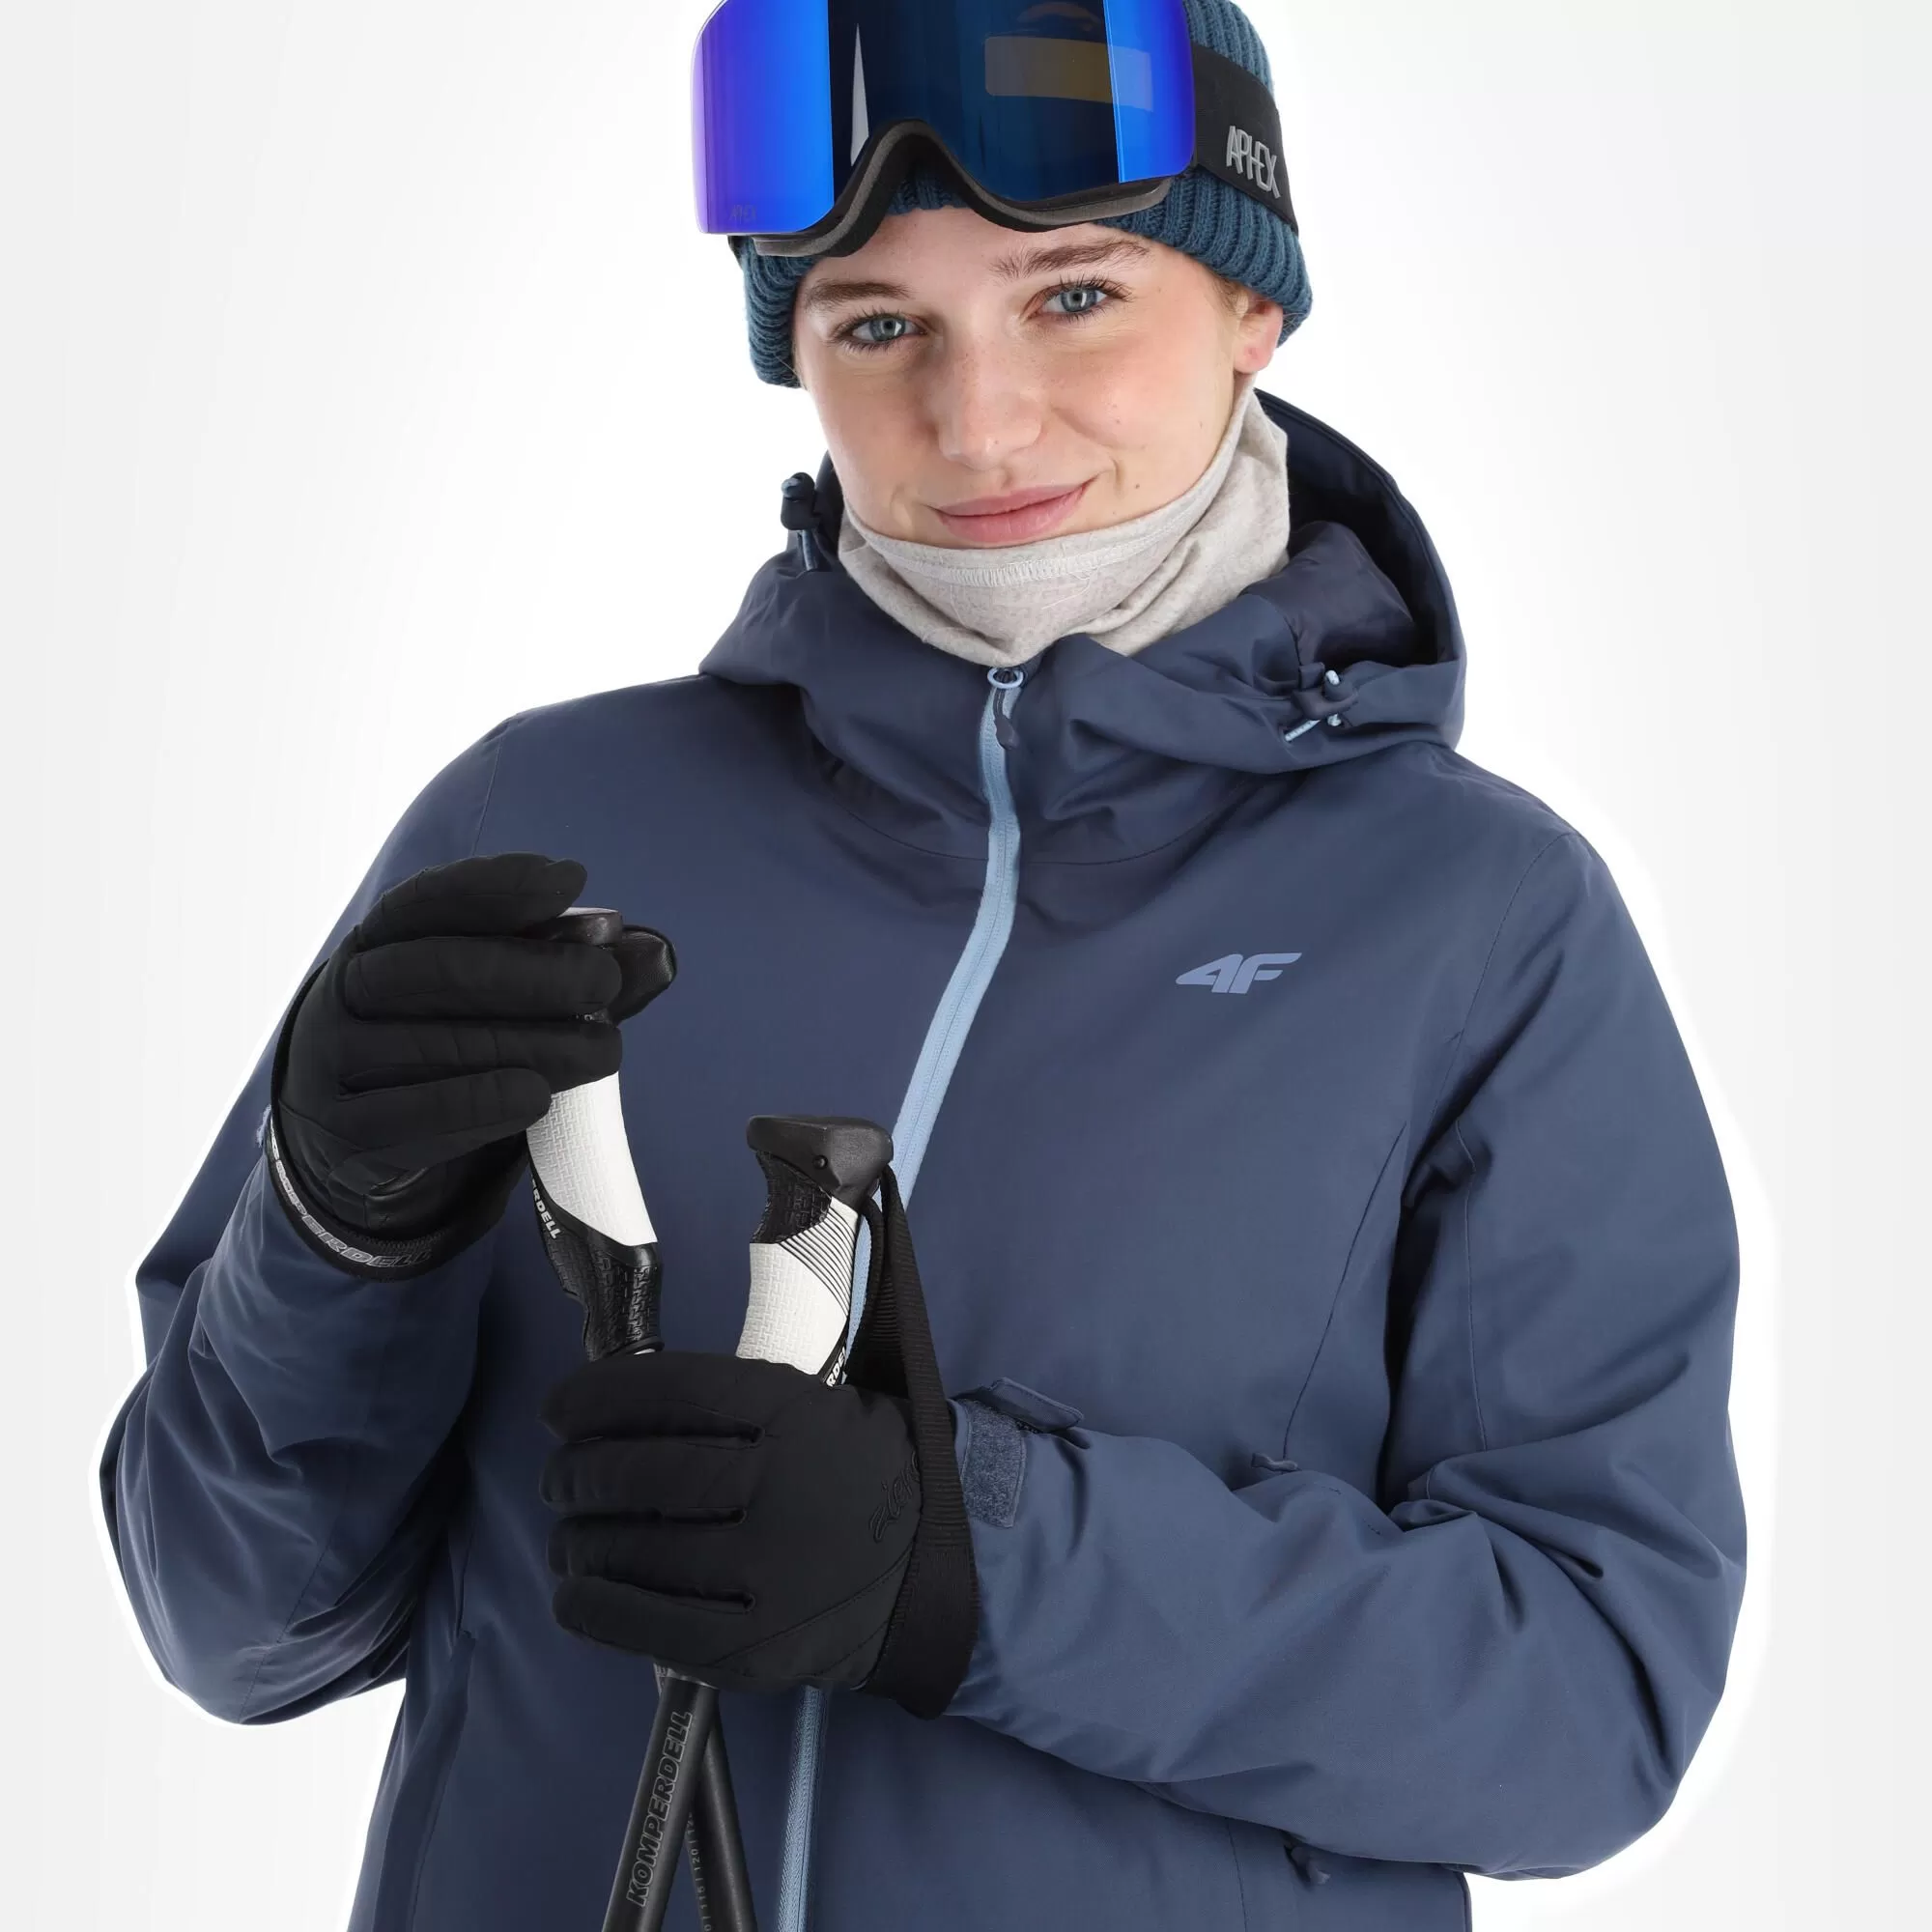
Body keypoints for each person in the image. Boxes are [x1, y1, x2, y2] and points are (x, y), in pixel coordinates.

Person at [99, 4, 1748, 1929]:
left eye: (1074, 298)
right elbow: (232, 1625)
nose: (978, 424)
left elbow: (1589, 1700)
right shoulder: (538, 831)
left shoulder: (1479, 923)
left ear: (1251, 309)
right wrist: (332, 1234)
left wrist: (975, 1563)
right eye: (878, 324)